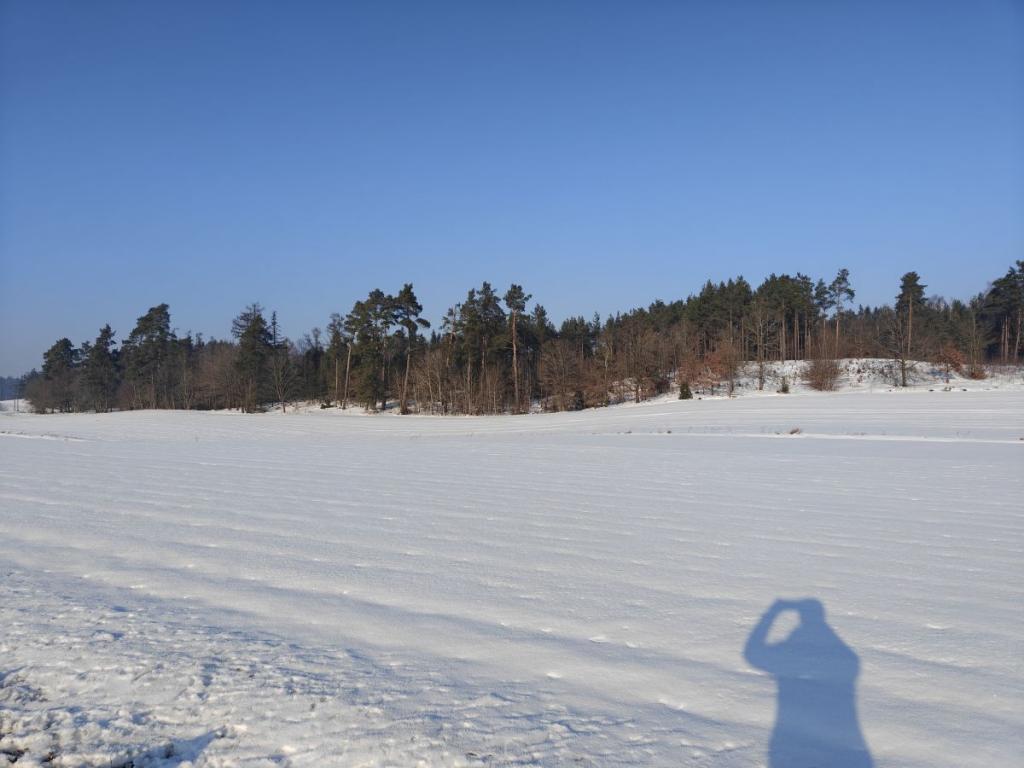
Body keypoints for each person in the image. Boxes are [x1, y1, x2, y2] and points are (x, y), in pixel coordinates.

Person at [744, 598, 873, 768]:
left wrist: (773, 612)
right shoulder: (848, 657)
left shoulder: (788, 654)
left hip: (790, 738)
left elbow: (752, 655)